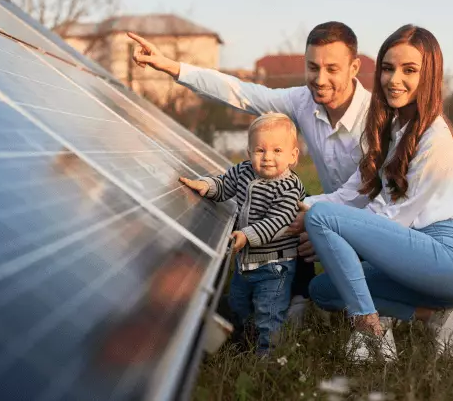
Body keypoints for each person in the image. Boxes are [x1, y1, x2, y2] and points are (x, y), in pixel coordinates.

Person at [128, 22, 372, 323]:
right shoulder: (302, 101)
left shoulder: (376, 117)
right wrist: (171, 67)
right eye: (313, 67)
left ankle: (379, 309)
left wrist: (326, 226)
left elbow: (379, 198)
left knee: (307, 211)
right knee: (290, 199)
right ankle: (296, 298)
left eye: (332, 68)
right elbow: (241, 93)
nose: (320, 79)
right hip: (330, 213)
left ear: (354, 67)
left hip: (378, 224)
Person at [294, 24, 453, 362]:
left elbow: (391, 218)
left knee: (323, 220)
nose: (394, 79)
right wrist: (293, 208)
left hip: (449, 261)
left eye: (409, 70)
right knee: (323, 290)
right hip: (412, 254)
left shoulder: (434, 138)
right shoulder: (395, 128)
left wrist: (321, 229)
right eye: (387, 68)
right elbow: (350, 193)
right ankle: (443, 317)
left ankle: (372, 332)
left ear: (430, 76)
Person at [179, 113, 306, 354]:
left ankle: (267, 356)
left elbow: (279, 220)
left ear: (293, 155)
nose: (268, 157)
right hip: (244, 262)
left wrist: (246, 235)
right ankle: (244, 338)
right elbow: (225, 185)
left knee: (268, 311)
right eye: (260, 150)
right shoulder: (244, 171)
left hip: (274, 266)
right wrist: (206, 186)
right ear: (249, 153)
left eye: (277, 151)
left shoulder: (289, 187)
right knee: (238, 304)